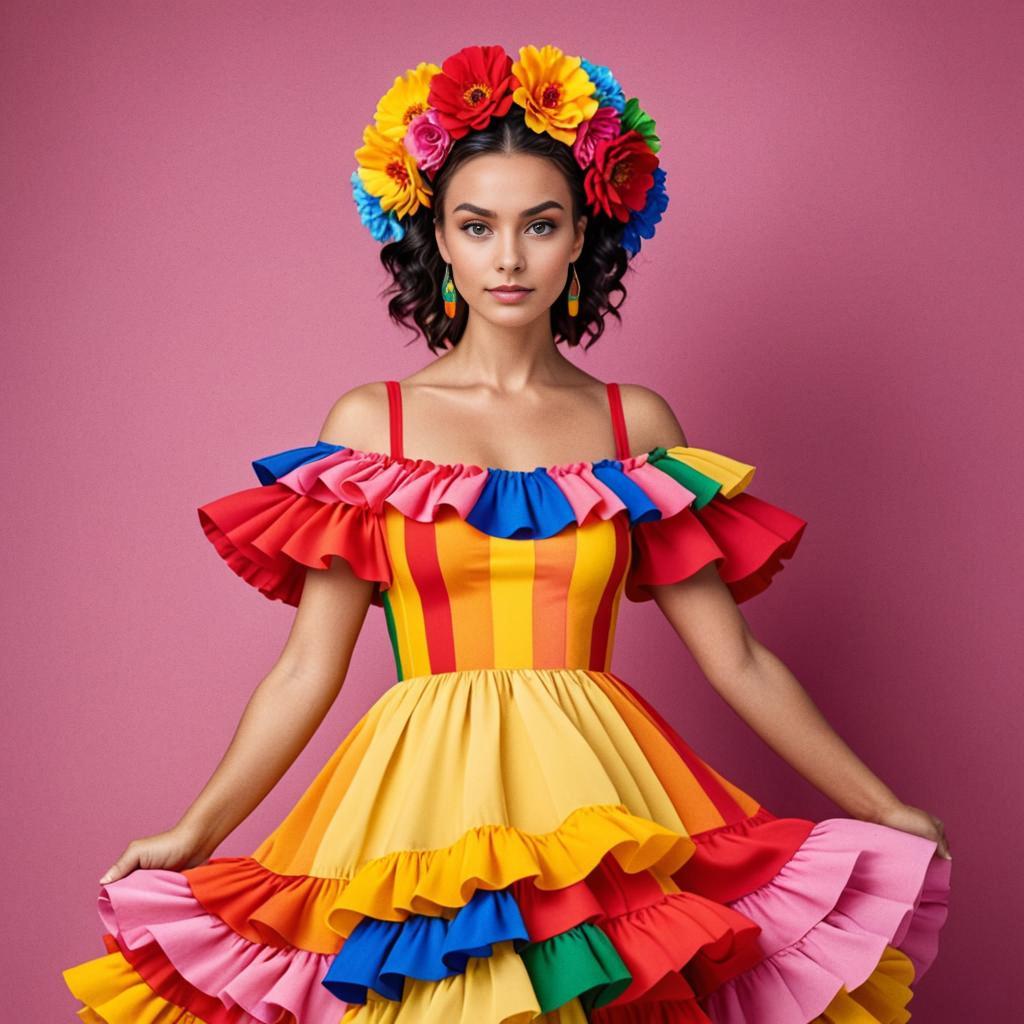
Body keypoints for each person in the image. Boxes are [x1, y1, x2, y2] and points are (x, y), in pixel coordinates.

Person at [62, 43, 951, 1023]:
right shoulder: (371, 426)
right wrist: (194, 830)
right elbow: (304, 669)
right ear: (437, 240)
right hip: (417, 799)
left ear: (581, 238)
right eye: (477, 226)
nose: (510, 256)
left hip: (602, 799)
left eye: (539, 224)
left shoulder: (634, 426)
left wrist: (879, 805)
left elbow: (735, 657)